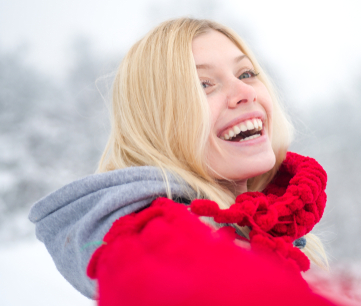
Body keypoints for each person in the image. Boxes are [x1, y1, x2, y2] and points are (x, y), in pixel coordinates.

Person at [29, 18, 339, 306]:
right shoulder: (147, 238)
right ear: (156, 123)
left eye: (246, 74)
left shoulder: (269, 228)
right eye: (203, 85)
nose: (245, 92)